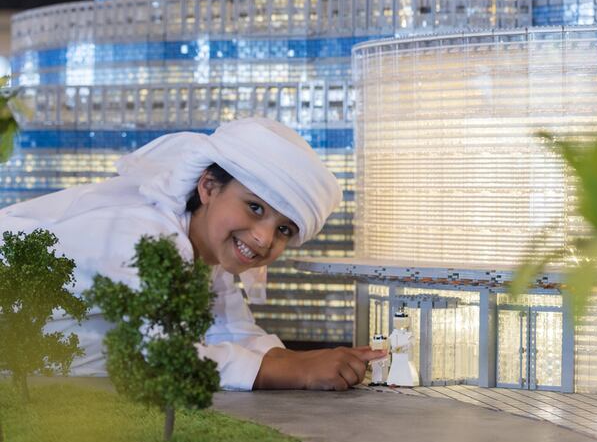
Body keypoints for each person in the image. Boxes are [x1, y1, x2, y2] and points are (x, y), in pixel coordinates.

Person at [0, 117, 386, 391]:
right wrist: (297, 371)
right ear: (208, 187)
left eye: (284, 229)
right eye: (255, 208)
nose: (265, 239)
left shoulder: (208, 260)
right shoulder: (147, 236)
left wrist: (318, 362)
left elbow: (232, 329)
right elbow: (163, 356)